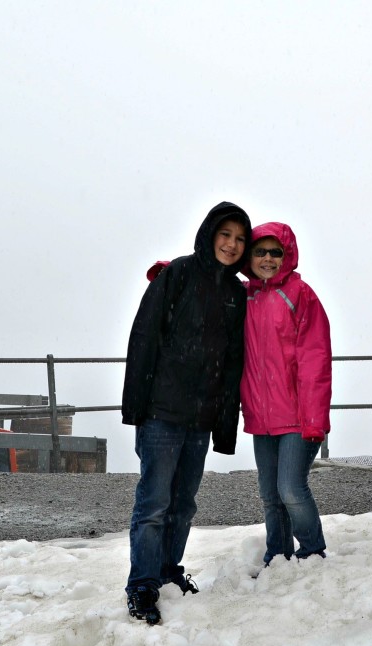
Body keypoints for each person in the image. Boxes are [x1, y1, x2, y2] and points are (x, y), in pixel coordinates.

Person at [121, 201, 251, 624]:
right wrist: (136, 406)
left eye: (239, 239)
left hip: (200, 419)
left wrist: (223, 424)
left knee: (185, 504)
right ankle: (141, 585)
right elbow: (144, 337)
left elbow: (233, 363)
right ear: (210, 233)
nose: (231, 245)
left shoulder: (236, 294)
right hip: (161, 413)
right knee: (154, 502)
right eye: (225, 234)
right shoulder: (176, 275)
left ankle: (167, 570)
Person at [240, 221, 332, 566]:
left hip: (297, 417)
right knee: (269, 495)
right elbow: (206, 278)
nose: (267, 258)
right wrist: (167, 272)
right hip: (262, 418)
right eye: (260, 251)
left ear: (287, 255)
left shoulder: (300, 295)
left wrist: (314, 419)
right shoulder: (244, 295)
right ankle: (277, 556)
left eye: (275, 252)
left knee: (291, 489)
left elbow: (315, 360)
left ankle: (312, 553)